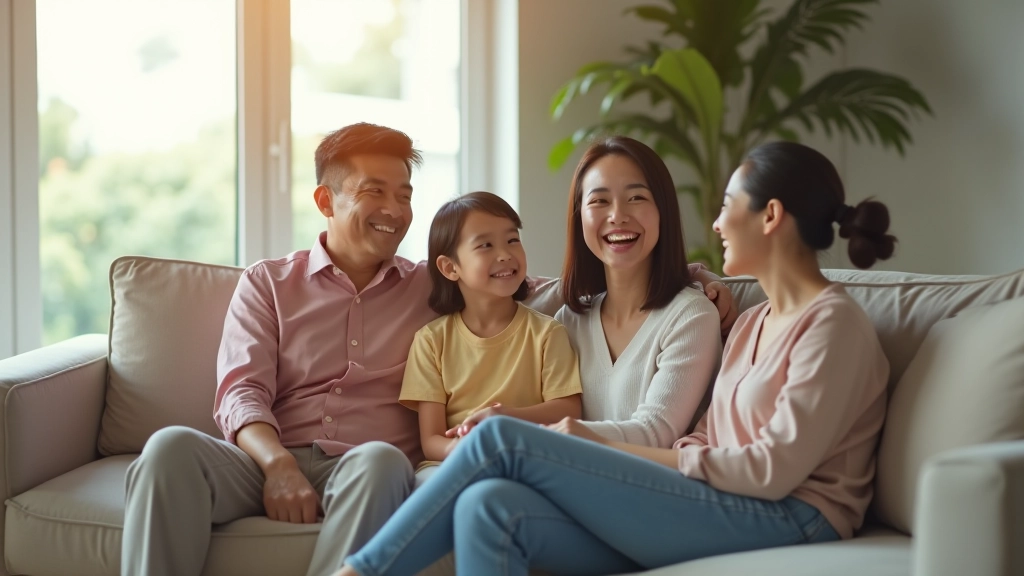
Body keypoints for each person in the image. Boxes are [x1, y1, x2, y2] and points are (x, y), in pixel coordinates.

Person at [121, 123, 739, 576]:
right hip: (263, 457)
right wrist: (277, 464)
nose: (395, 210)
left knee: (382, 463)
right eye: (374, 192)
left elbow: (546, 287)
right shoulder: (269, 282)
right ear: (325, 200)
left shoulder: (433, 284)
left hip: (362, 464)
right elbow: (241, 391)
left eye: (405, 193)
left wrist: (693, 276)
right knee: (169, 448)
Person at [336, 140, 896, 576]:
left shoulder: (832, 324)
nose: (718, 223)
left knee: (500, 438)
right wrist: (653, 461)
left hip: (793, 517)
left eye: (727, 207)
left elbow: (771, 472)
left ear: (770, 215)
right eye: (599, 201)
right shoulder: (752, 320)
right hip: (715, 500)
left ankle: (360, 571)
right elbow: (704, 436)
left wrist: (587, 441)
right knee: (489, 505)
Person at [401, 191, 582, 473]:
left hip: (522, 458)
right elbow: (431, 440)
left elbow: (569, 410)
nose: (505, 254)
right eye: (485, 245)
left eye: (512, 240)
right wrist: (461, 449)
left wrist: (504, 418)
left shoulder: (548, 333)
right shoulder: (431, 341)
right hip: (450, 464)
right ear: (450, 267)